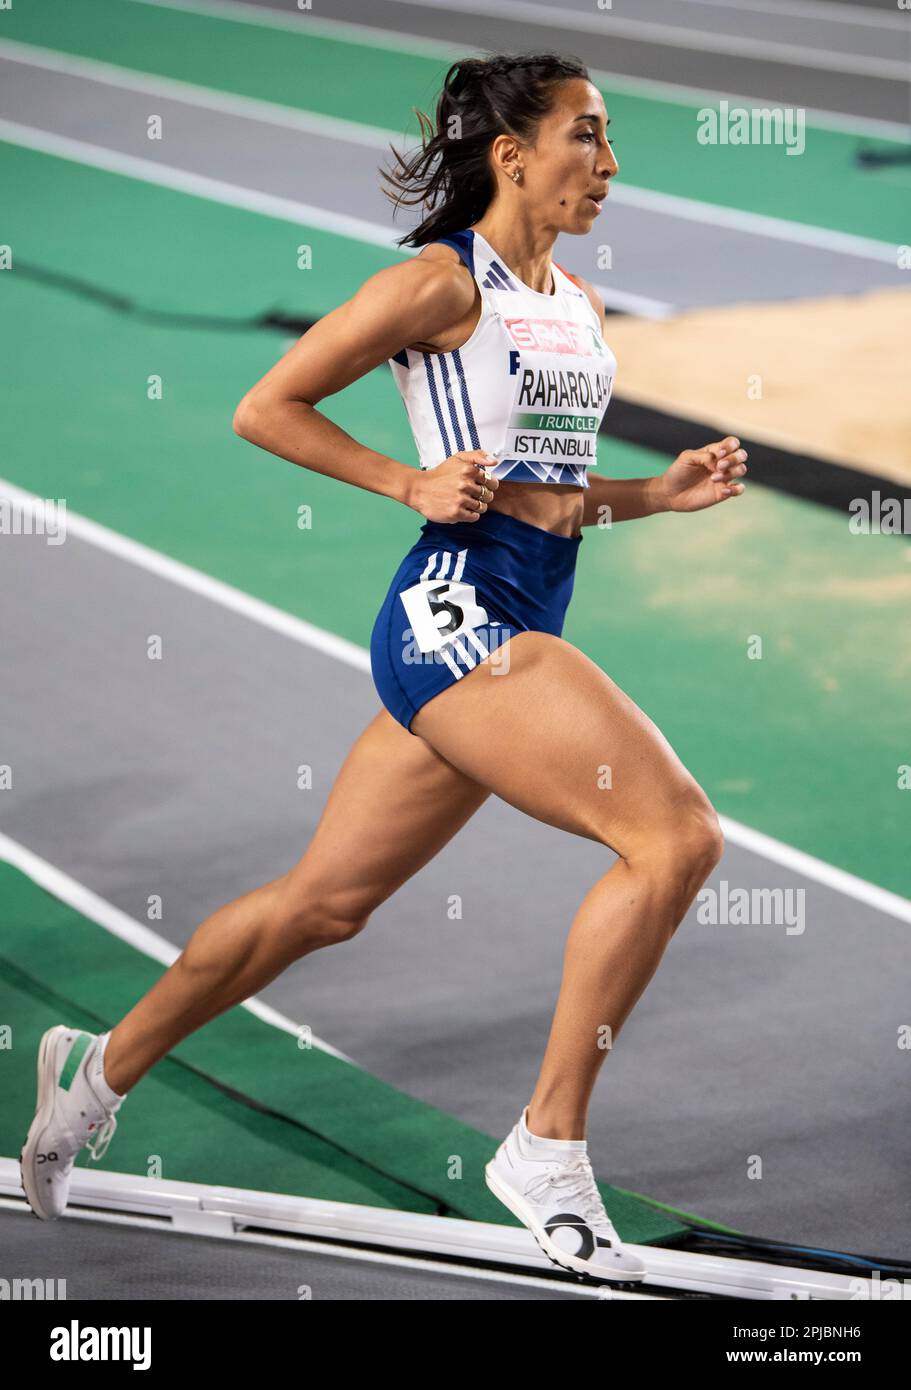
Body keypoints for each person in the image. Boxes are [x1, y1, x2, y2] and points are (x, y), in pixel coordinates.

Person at [20, 52, 746, 1284]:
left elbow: (551, 501)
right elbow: (269, 404)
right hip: (452, 614)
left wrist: (652, 499)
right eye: (589, 136)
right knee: (675, 838)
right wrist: (402, 479)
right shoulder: (433, 285)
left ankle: (92, 1073)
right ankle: (546, 1146)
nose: (609, 165)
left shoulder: (578, 302)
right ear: (512, 154)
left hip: (522, 609)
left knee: (322, 905)